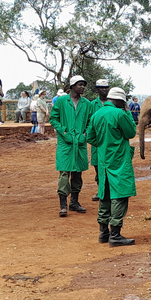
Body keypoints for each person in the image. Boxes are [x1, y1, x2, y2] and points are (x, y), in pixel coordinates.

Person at [87, 87, 137, 247]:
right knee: (120, 195)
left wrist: (103, 145)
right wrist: (128, 112)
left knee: (105, 194)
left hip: (103, 161)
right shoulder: (120, 114)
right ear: (120, 101)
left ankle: (104, 233)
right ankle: (115, 235)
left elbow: (90, 137)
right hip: (119, 161)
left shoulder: (96, 114)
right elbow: (130, 132)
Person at [49, 75, 92, 217]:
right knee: (64, 173)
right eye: (79, 84)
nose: (82, 87)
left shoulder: (87, 103)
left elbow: (91, 122)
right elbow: (53, 119)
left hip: (79, 143)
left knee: (78, 173)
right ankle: (63, 205)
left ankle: (74, 202)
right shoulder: (61, 101)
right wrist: (63, 131)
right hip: (65, 143)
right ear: (72, 86)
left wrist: (85, 134)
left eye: (83, 85)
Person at [90, 78, 110, 201]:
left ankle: (109, 191)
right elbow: (89, 121)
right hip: (97, 142)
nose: (104, 90)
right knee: (98, 167)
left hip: (110, 141)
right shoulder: (92, 105)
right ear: (97, 89)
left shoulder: (113, 104)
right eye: (102, 88)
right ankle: (100, 190)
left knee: (109, 166)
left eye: (106, 87)